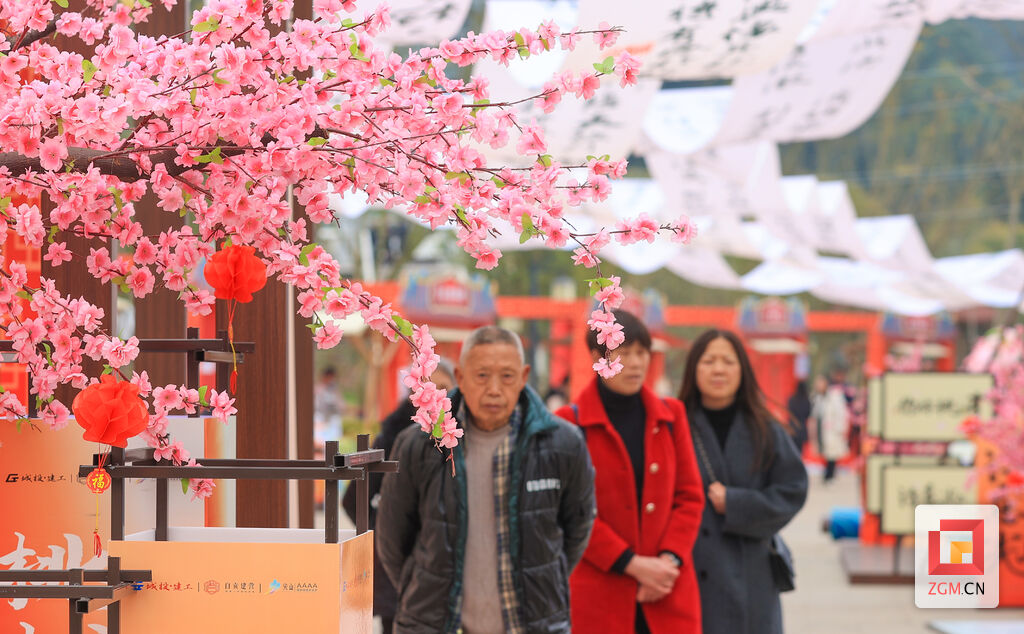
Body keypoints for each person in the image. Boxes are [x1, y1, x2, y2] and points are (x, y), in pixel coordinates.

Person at [376, 326, 596, 634]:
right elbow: (391, 536)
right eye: (481, 376)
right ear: (461, 378)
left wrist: (543, 577)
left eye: (507, 376)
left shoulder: (563, 443)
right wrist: (422, 589)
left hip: (534, 623)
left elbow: (577, 527)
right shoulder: (420, 443)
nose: (494, 389)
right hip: (433, 624)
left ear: (523, 376)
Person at [555, 310, 704, 633]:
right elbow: (572, 512)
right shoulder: (569, 423)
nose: (636, 363)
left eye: (641, 353)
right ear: (597, 357)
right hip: (600, 594)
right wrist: (632, 565)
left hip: (667, 589)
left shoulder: (671, 416)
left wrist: (668, 562)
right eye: (623, 352)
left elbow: (690, 497)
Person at [678, 329, 808, 634]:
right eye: (709, 361)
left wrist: (736, 503)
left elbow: (793, 491)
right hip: (691, 572)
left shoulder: (765, 428)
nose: (719, 369)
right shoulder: (674, 425)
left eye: (728, 361)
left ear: (743, 370)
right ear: (693, 368)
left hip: (752, 576)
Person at [342, 360, 456, 634]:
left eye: (444, 389)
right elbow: (351, 499)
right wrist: (386, 528)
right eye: (427, 387)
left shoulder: (460, 437)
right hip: (400, 568)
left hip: (449, 566)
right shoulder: (393, 438)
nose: (436, 395)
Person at [815, 369, 850, 483]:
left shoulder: (835, 396)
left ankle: (830, 474)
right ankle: (828, 473)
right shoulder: (818, 397)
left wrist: (841, 429)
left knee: (832, 452)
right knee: (826, 452)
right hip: (823, 429)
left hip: (833, 430)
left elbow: (841, 413)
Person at [785, 381, 811, 456]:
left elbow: (788, 412)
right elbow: (808, 414)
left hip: (792, 427)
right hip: (801, 427)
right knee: (799, 451)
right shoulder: (807, 401)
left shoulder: (791, 400)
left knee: (791, 450)